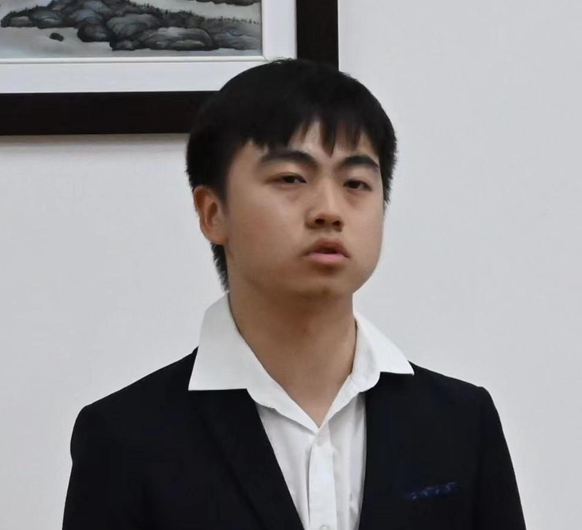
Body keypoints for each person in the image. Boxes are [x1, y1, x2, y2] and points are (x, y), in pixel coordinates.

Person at [62, 58, 527, 530]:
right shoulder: (126, 436)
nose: (329, 210)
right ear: (213, 212)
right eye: (291, 178)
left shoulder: (461, 423)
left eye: (356, 183)